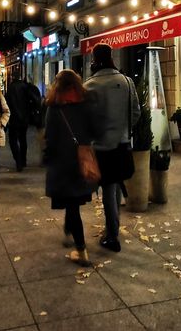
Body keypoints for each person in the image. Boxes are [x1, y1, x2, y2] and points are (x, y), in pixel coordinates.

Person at [84, 43, 139, 253]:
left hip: (100, 146)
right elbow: (136, 113)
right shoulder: (126, 82)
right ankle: (112, 228)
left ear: (95, 60)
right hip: (122, 143)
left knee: (108, 189)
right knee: (113, 186)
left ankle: (112, 235)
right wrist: (123, 129)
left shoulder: (89, 85)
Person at [44, 70, 97, 266]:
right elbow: (94, 130)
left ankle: (81, 249)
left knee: (72, 206)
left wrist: (47, 157)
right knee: (73, 202)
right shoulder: (86, 102)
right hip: (81, 160)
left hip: (62, 162)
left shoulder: (54, 106)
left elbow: (49, 136)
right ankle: (69, 230)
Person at [6, 75, 41, 171]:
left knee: (13, 140)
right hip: (24, 117)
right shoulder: (25, 86)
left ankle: (18, 161)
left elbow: (7, 103)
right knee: (23, 139)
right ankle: (23, 160)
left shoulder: (10, 88)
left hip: (13, 118)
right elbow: (34, 99)